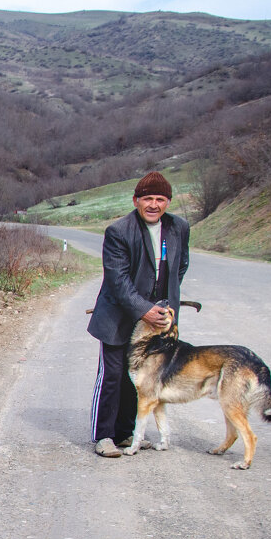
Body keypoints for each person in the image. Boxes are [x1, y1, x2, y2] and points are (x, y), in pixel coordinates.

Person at [87, 171, 190, 457]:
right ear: (136, 201)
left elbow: (180, 267)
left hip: (155, 320)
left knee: (141, 376)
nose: (154, 204)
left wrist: (162, 304)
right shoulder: (119, 231)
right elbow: (118, 280)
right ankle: (104, 436)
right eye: (147, 199)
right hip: (118, 315)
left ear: (168, 202)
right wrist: (144, 309)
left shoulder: (179, 227)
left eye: (160, 199)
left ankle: (124, 434)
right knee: (113, 375)